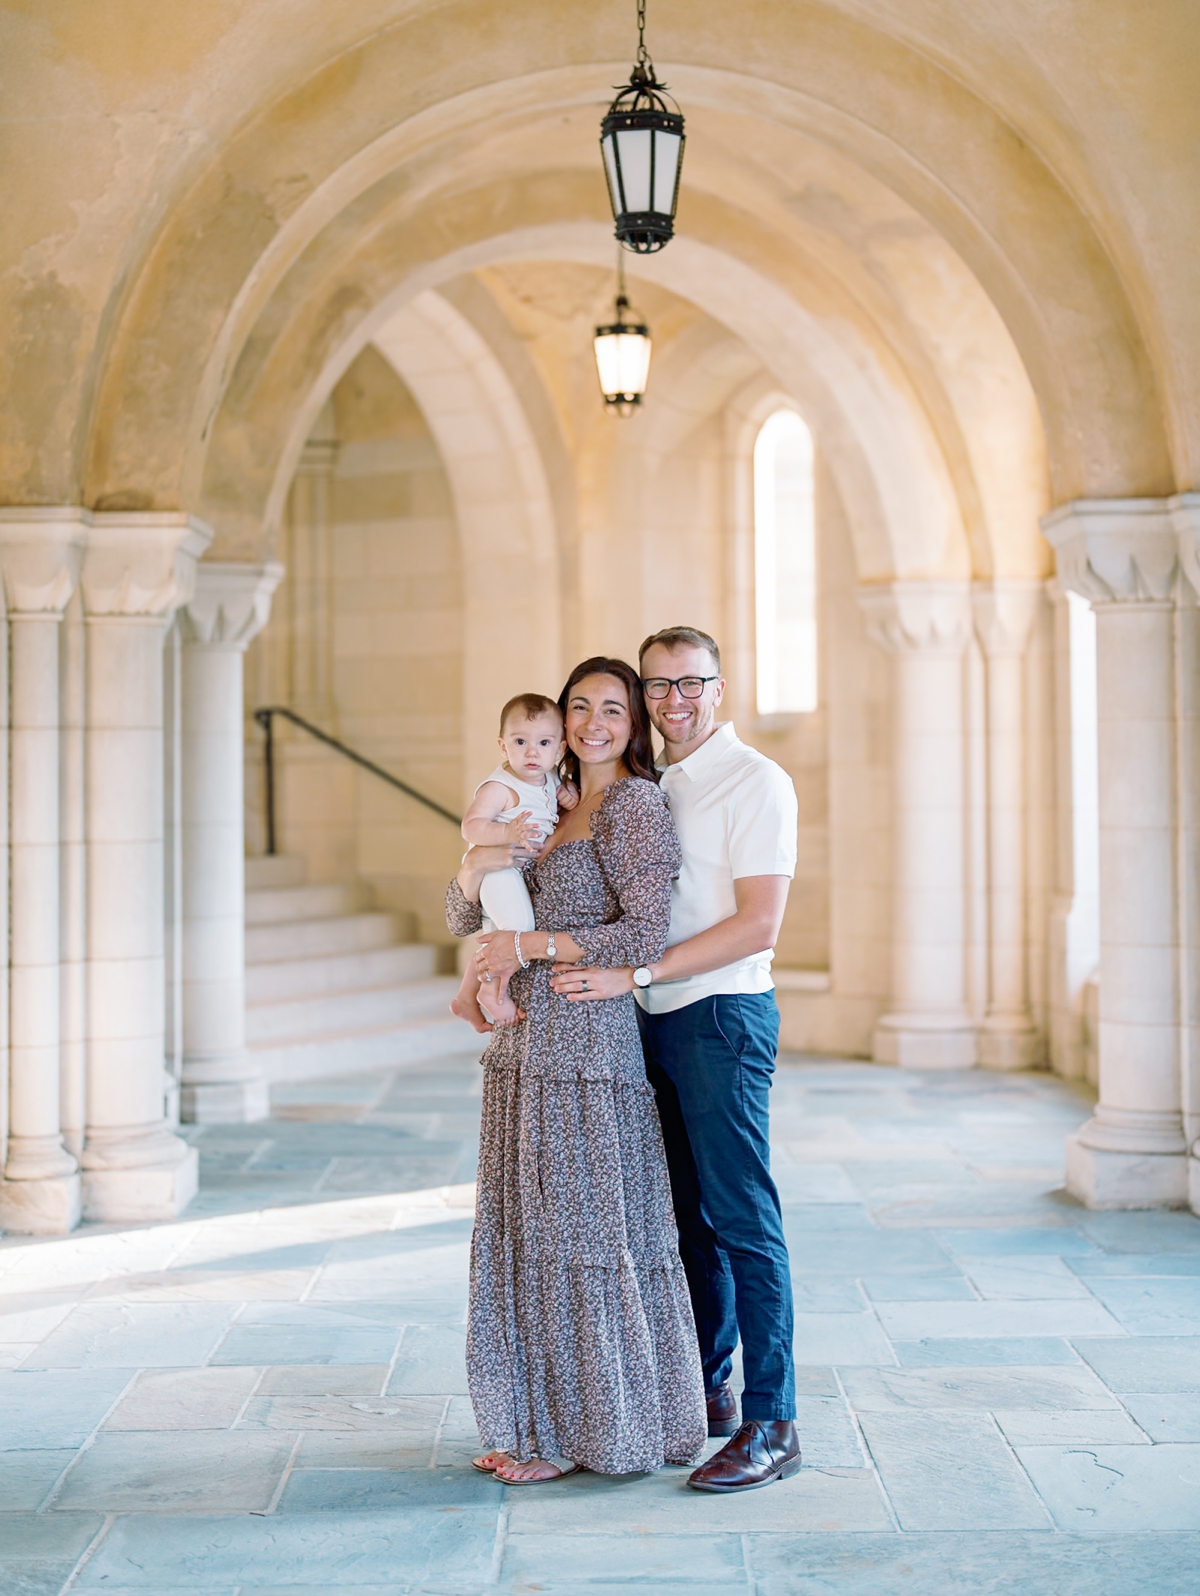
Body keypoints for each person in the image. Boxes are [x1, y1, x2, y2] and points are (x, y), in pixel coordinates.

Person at [551, 625, 801, 1494]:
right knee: (684, 1220)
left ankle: (775, 1421)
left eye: (688, 684)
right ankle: (709, 1389)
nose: (672, 701)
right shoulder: (657, 785)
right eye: (657, 687)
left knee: (743, 1220)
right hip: (651, 1020)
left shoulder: (755, 781)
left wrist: (638, 972)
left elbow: (757, 925)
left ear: (719, 688)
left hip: (721, 1018)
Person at [446, 656, 707, 1484]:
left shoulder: (633, 805)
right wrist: (479, 857)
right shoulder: (546, 800)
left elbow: (644, 935)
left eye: (614, 709)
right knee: (531, 1238)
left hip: (587, 1046)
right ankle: (538, 1424)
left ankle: (595, 1433)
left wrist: (528, 945)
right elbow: (458, 910)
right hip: (525, 1047)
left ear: (635, 725)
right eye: (580, 707)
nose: (594, 723)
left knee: (585, 1239)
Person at [449, 692, 576, 1027]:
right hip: (497, 870)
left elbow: (554, 802)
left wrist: (567, 794)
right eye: (520, 741)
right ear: (503, 747)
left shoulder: (549, 779)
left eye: (544, 743)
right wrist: (506, 834)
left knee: (496, 930)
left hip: (516, 871)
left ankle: (464, 996)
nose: (532, 752)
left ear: (560, 749)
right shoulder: (501, 787)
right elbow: (471, 826)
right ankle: (490, 991)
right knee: (517, 929)